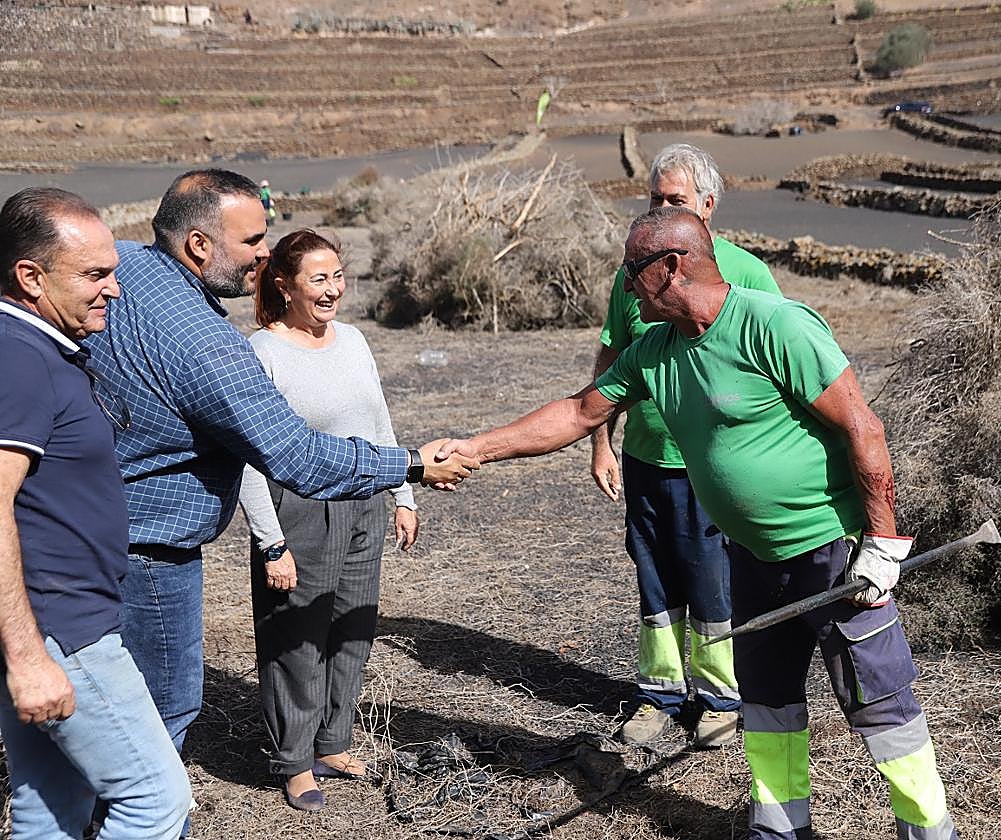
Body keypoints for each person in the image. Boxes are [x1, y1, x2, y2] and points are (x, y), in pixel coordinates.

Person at [437, 207, 959, 840]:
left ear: (671, 267)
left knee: (880, 701)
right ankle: (780, 829)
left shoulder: (775, 325)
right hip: (752, 560)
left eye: (632, 273)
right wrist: (476, 448)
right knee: (766, 704)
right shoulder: (653, 351)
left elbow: (863, 427)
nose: (626, 288)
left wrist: (882, 540)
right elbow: (577, 413)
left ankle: (928, 829)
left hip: (836, 552)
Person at [82, 170, 478, 780]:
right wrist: (414, 464)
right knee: (163, 708)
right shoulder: (211, 343)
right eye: (252, 242)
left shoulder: (125, 266)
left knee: (104, 700)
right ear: (198, 246)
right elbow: (295, 456)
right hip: (153, 546)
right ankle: (144, 810)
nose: (263, 253)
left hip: (100, 521)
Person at [0, 187, 191, 838]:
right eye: (95, 274)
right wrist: (28, 658)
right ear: (30, 276)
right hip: (62, 629)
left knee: (50, 806)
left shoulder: (39, 347)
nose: (114, 289)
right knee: (155, 800)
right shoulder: (19, 359)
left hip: (50, 624)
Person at [591, 143, 781, 748]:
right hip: (649, 458)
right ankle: (660, 694)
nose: (664, 208)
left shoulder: (746, 274)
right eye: (656, 199)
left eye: (676, 199)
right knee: (654, 579)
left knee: (713, 581)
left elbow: (776, 369)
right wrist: (603, 442)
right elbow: (612, 357)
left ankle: (722, 697)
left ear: (708, 205)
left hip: (714, 465)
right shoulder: (633, 273)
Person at [237, 230, 419, 811]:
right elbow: (247, 458)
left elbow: (377, 419)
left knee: (352, 629)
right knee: (297, 638)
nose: (333, 289)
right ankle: (293, 760)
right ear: (285, 285)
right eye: (319, 279)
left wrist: (403, 495)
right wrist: (271, 543)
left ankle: (333, 742)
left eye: (338, 276)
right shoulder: (262, 352)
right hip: (298, 511)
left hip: (364, 500)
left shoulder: (354, 340)